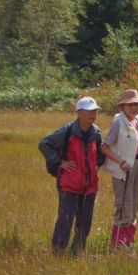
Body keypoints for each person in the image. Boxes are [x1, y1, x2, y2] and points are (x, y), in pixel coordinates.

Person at [39, 97, 105, 254]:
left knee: (85, 221)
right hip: (69, 184)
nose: (93, 114)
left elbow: (101, 153)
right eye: (89, 111)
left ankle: (77, 251)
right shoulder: (67, 131)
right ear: (79, 113)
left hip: (89, 186)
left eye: (95, 111)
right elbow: (44, 144)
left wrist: (96, 166)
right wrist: (59, 162)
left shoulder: (96, 132)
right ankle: (58, 251)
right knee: (66, 219)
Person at [101, 89, 138, 249]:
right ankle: (117, 245)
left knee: (135, 206)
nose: (134, 107)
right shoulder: (118, 122)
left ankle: (128, 243)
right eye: (130, 104)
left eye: (136, 104)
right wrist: (120, 161)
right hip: (123, 169)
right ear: (123, 106)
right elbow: (105, 147)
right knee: (124, 206)